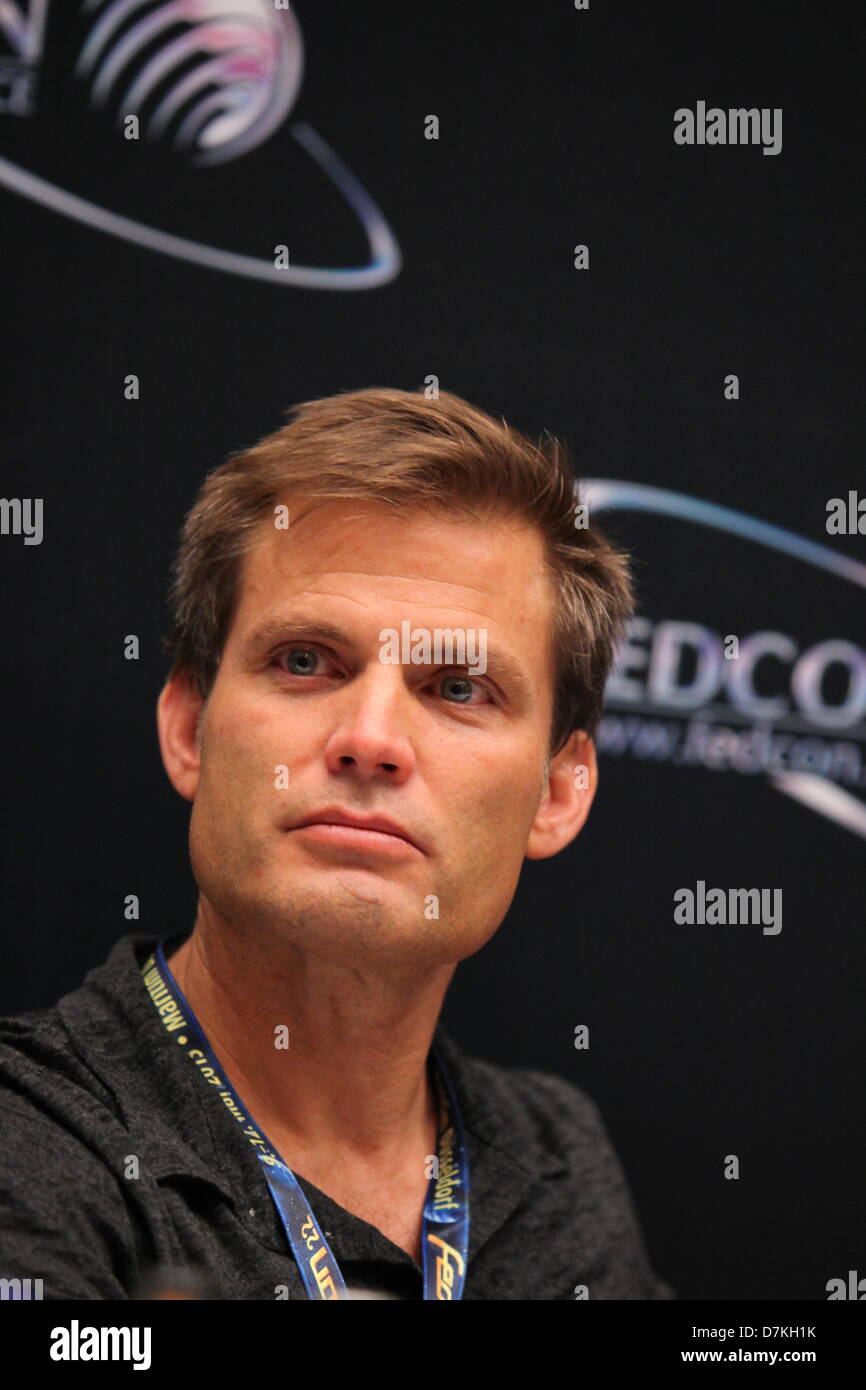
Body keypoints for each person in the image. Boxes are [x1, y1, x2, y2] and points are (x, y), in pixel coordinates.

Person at [0, 387, 673, 1300]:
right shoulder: (26, 1134)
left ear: (556, 791)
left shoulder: (558, 1162)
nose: (371, 738)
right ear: (190, 727)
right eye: (307, 661)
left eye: (460, 688)